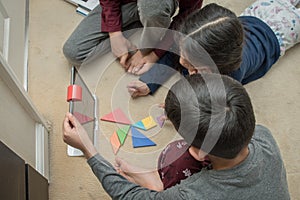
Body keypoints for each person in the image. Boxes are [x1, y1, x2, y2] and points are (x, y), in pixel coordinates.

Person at [63, 73, 290, 199]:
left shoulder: (195, 194)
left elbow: (128, 196)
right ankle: (156, 181)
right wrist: (188, 113)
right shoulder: (263, 135)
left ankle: (157, 185)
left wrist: (88, 149)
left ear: (200, 153)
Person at [128, 0, 300, 97]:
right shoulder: (190, 42)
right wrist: (149, 82)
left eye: (189, 63)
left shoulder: (230, 76)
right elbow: (171, 57)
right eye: (181, 53)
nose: (180, 61)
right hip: (261, 10)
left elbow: (209, 103)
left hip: (283, 31)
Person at [63, 0, 203, 73]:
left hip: (159, 5)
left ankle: (151, 21)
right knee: (73, 52)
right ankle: (145, 21)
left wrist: (153, 54)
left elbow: (188, 15)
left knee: (153, 7)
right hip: (126, 4)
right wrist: (115, 34)